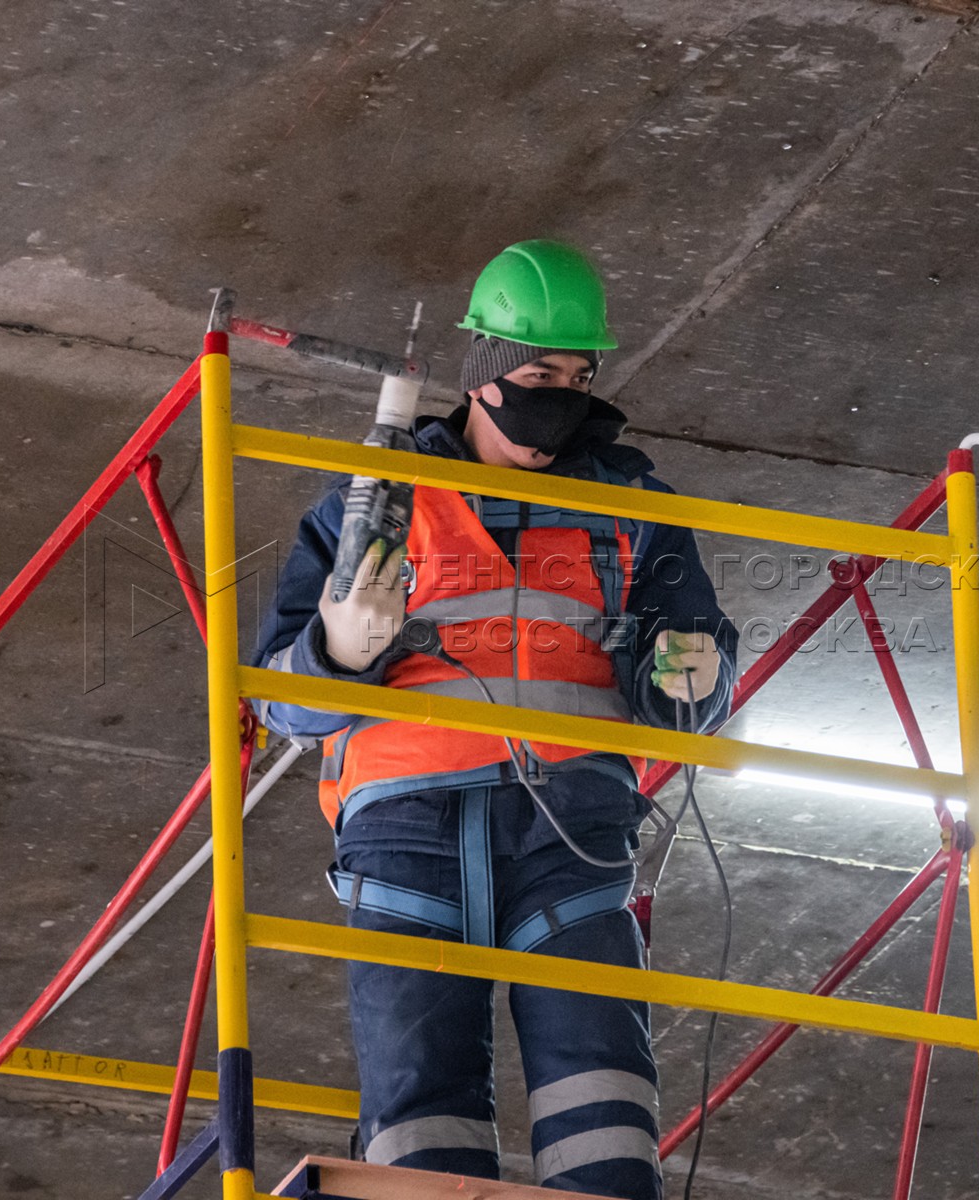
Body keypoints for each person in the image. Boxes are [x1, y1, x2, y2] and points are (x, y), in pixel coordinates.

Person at [251, 240, 738, 1200]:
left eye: (579, 378)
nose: (560, 399)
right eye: (539, 376)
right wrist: (337, 651)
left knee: (599, 1078)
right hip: (407, 825)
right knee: (419, 1086)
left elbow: (689, 677)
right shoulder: (375, 496)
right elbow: (278, 700)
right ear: (482, 372)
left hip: (573, 825)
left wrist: (693, 682)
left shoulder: (631, 503)